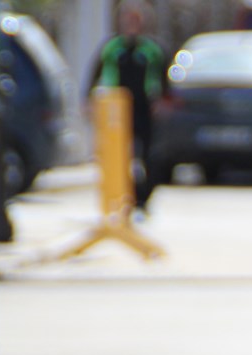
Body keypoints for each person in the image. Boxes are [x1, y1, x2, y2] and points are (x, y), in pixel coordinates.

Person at [87, 0, 167, 215]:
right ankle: (125, 196)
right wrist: (90, 101)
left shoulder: (152, 49)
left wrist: (161, 101)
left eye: (135, 20)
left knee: (149, 157)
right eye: (128, 19)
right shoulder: (112, 48)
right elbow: (95, 75)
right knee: (121, 156)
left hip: (144, 108)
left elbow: (164, 79)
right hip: (118, 109)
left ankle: (143, 198)